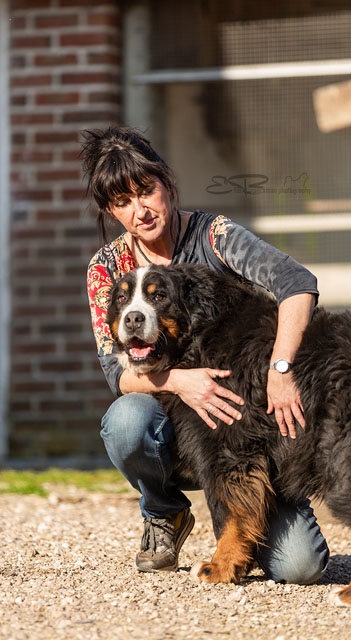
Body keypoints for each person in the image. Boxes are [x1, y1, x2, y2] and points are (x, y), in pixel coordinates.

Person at [84, 126, 329, 583]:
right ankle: (164, 511)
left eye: (146, 191)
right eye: (122, 201)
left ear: (167, 183)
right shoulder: (107, 268)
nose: (140, 210)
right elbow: (115, 372)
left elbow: (296, 283)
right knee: (126, 420)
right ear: (110, 210)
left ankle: (257, 502)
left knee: (301, 568)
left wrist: (281, 368)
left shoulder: (215, 236)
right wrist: (181, 381)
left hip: (245, 428)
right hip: (174, 426)